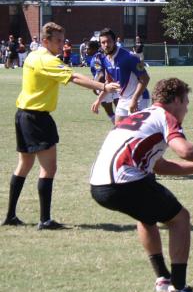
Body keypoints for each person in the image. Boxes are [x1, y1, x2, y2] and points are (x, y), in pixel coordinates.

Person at [90, 77, 193, 292]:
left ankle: (163, 278)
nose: (187, 108)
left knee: (146, 215)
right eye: (186, 102)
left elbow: (160, 165)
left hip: (99, 184)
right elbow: (185, 150)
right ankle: (178, 286)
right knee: (179, 218)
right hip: (124, 181)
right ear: (176, 100)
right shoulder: (165, 116)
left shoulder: (139, 116)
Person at [2, 22, 120, 228]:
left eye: (62, 40)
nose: (61, 44)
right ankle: (45, 220)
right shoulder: (46, 60)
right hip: (37, 118)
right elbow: (74, 76)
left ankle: (11, 216)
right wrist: (103, 86)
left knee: (24, 165)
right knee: (49, 168)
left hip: (23, 115)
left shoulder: (32, 56)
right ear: (45, 41)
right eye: (57, 41)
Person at [91, 28, 151, 123]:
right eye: (103, 42)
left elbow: (145, 78)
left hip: (139, 98)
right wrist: (98, 100)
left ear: (114, 41)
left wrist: (134, 99)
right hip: (123, 98)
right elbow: (109, 83)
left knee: (136, 132)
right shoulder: (104, 59)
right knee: (118, 130)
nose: (106, 45)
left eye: (109, 41)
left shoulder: (129, 57)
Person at [88, 41, 118, 123]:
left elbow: (101, 74)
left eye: (87, 49)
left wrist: (95, 86)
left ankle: (120, 127)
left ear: (93, 49)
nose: (86, 51)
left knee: (110, 112)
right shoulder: (102, 55)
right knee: (119, 109)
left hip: (104, 86)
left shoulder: (96, 58)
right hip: (114, 82)